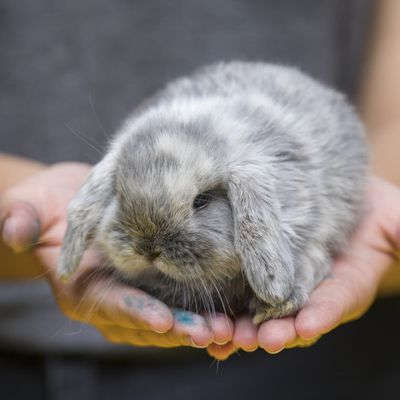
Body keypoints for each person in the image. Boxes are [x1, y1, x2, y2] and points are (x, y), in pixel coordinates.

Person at [1, 0, 400, 398]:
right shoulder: (140, 140)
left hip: (315, 367)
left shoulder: (275, 192)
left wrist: (296, 268)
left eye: (200, 204)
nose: (152, 248)